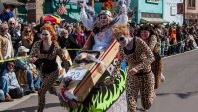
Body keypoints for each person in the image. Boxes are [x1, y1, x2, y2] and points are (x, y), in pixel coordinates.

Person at [104, 24, 155, 112]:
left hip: (146, 75)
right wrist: (111, 79)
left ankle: (151, 94)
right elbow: (118, 63)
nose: (120, 42)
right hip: (132, 78)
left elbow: (151, 57)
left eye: (121, 38)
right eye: (118, 40)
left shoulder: (138, 41)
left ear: (126, 34)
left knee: (146, 105)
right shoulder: (121, 48)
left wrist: (137, 68)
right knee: (131, 106)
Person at [28, 23, 70, 112]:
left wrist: (69, 74)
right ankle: (60, 95)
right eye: (42, 34)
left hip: (53, 71)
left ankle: (40, 110)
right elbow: (30, 57)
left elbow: (65, 60)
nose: (44, 36)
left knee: (41, 91)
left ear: (51, 34)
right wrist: (32, 59)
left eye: (46, 34)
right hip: (42, 71)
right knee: (51, 90)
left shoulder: (55, 46)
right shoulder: (37, 44)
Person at [138, 24, 165, 89]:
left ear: (149, 32)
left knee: (155, 83)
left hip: (155, 60)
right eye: (142, 32)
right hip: (144, 59)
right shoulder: (138, 38)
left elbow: (150, 48)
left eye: (145, 32)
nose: (143, 34)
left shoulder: (153, 37)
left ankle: (160, 75)